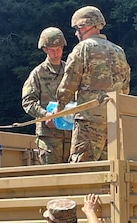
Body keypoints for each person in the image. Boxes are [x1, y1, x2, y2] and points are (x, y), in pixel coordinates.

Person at [55, 6, 131, 163]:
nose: (76, 33)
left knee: (82, 170)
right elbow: (125, 87)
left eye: (77, 28)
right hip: (114, 122)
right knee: (108, 170)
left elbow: (70, 83)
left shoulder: (83, 48)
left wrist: (59, 108)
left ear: (85, 26)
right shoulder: (119, 51)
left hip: (89, 122)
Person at [22, 27, 71, 164]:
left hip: (71, 134)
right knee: (52, 178)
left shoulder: (70, 71)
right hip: (49, 137)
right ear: (45, 49)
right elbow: (28, 101)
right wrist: (45, 115)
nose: (56, 53)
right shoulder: (38, 73)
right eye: (52, 50)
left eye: (59, 49)